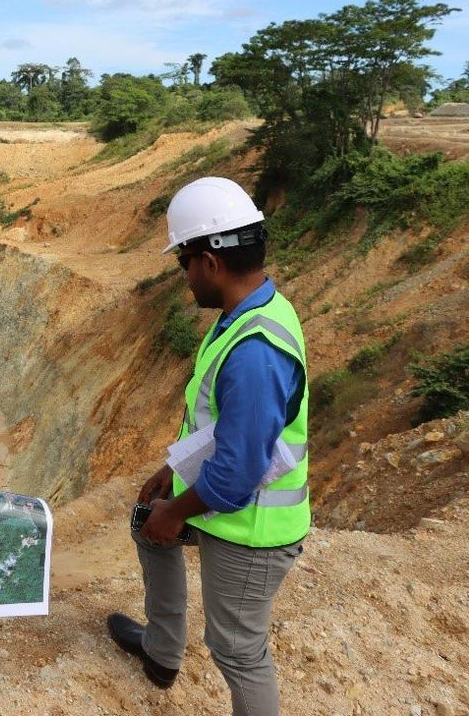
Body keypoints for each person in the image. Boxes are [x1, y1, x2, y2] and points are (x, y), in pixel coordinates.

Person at [107, 176, 309, 716]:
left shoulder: (255, 351)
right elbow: (223, 428)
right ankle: (161, 651)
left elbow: (238, 473)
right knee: (147, 520)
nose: (185, 276)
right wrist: (171, 476)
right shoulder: (247, 313)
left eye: (183, 263)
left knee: (237, 650)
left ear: (210, 263)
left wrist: (178, 510)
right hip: (232, 504)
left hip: (252, 526)